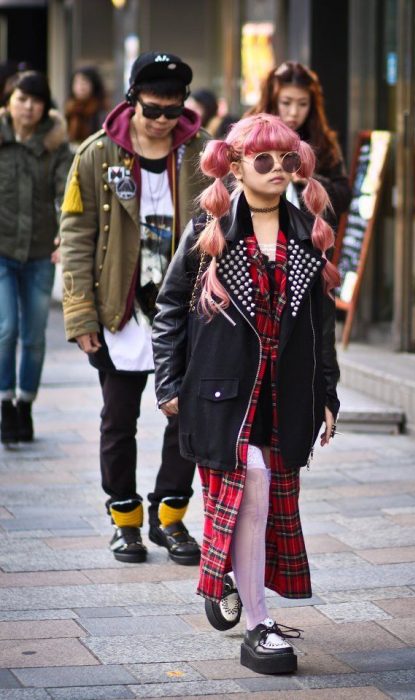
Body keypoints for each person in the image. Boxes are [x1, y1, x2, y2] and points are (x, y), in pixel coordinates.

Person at [152, 113, 340, 674]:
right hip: (219, 395)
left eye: (288, 160)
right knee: (251, 489)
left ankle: (224, 574)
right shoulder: (208, 232)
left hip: (284, 398)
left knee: (262, 500)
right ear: (234, 166)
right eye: (264, 160)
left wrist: (327, 395)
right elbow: (168, 310)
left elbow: (320, 327)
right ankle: (258, 626)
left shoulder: (308, 232)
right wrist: (168, 384)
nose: (279, 170)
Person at [60, 52, 210, 565]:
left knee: (184, 420)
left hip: (185, 312)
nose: (164, 120)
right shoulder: (96, 155)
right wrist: (81, 316)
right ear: (132, 100)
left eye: (174, 109)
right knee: (118, 420)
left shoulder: (204, 152)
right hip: (118, 311)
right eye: (154, 109)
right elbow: (76, 237)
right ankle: (124, 520)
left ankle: (171, 518)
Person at [0, 71, 72, 444]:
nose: (28, 107)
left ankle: (25, 403)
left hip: (42, 252)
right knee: (6, 328)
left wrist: (66, 232)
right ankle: (4, 402)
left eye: (35, 100)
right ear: (9, 100)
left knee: (33, 335)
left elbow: (66, 192)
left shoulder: (56, 144)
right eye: (21, 98)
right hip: (2, 252)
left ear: (45, 105)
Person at [248, 61, 351, 228]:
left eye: (303, 104)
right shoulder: (250, 135)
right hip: (257, 234)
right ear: (273, 101)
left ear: (312, 105)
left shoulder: (322, 141)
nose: (294, 112)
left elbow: (344, 197)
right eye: (286, 103)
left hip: (311, 241)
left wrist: (309, 179)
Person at [64, 66, 108, 147]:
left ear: (93, 85)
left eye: (85, 82)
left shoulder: (100, 112)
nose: (81, 86)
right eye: (77, 82)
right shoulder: (69, 110)